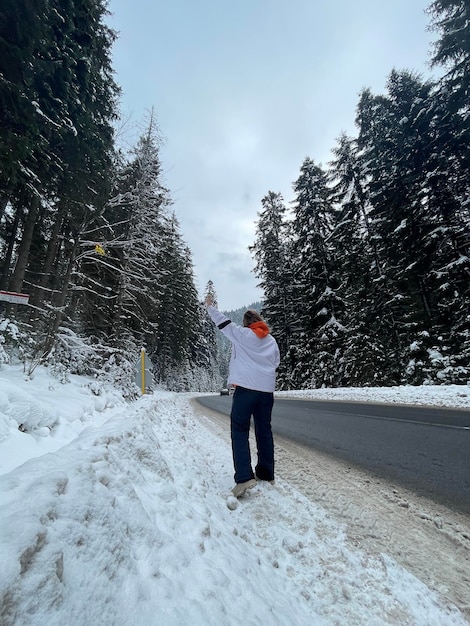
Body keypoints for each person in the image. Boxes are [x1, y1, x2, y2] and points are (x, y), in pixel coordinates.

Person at [205, 296, 280, 497]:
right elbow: (276, 362)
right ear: (260, 321)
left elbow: (223, 323)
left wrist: (210, 307)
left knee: (239, 429)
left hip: (246, 389)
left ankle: (244, 477)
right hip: (266, 391)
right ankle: (266, 473)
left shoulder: (242, 335)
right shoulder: (271, 340)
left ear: (246, 323)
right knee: (264, 430)